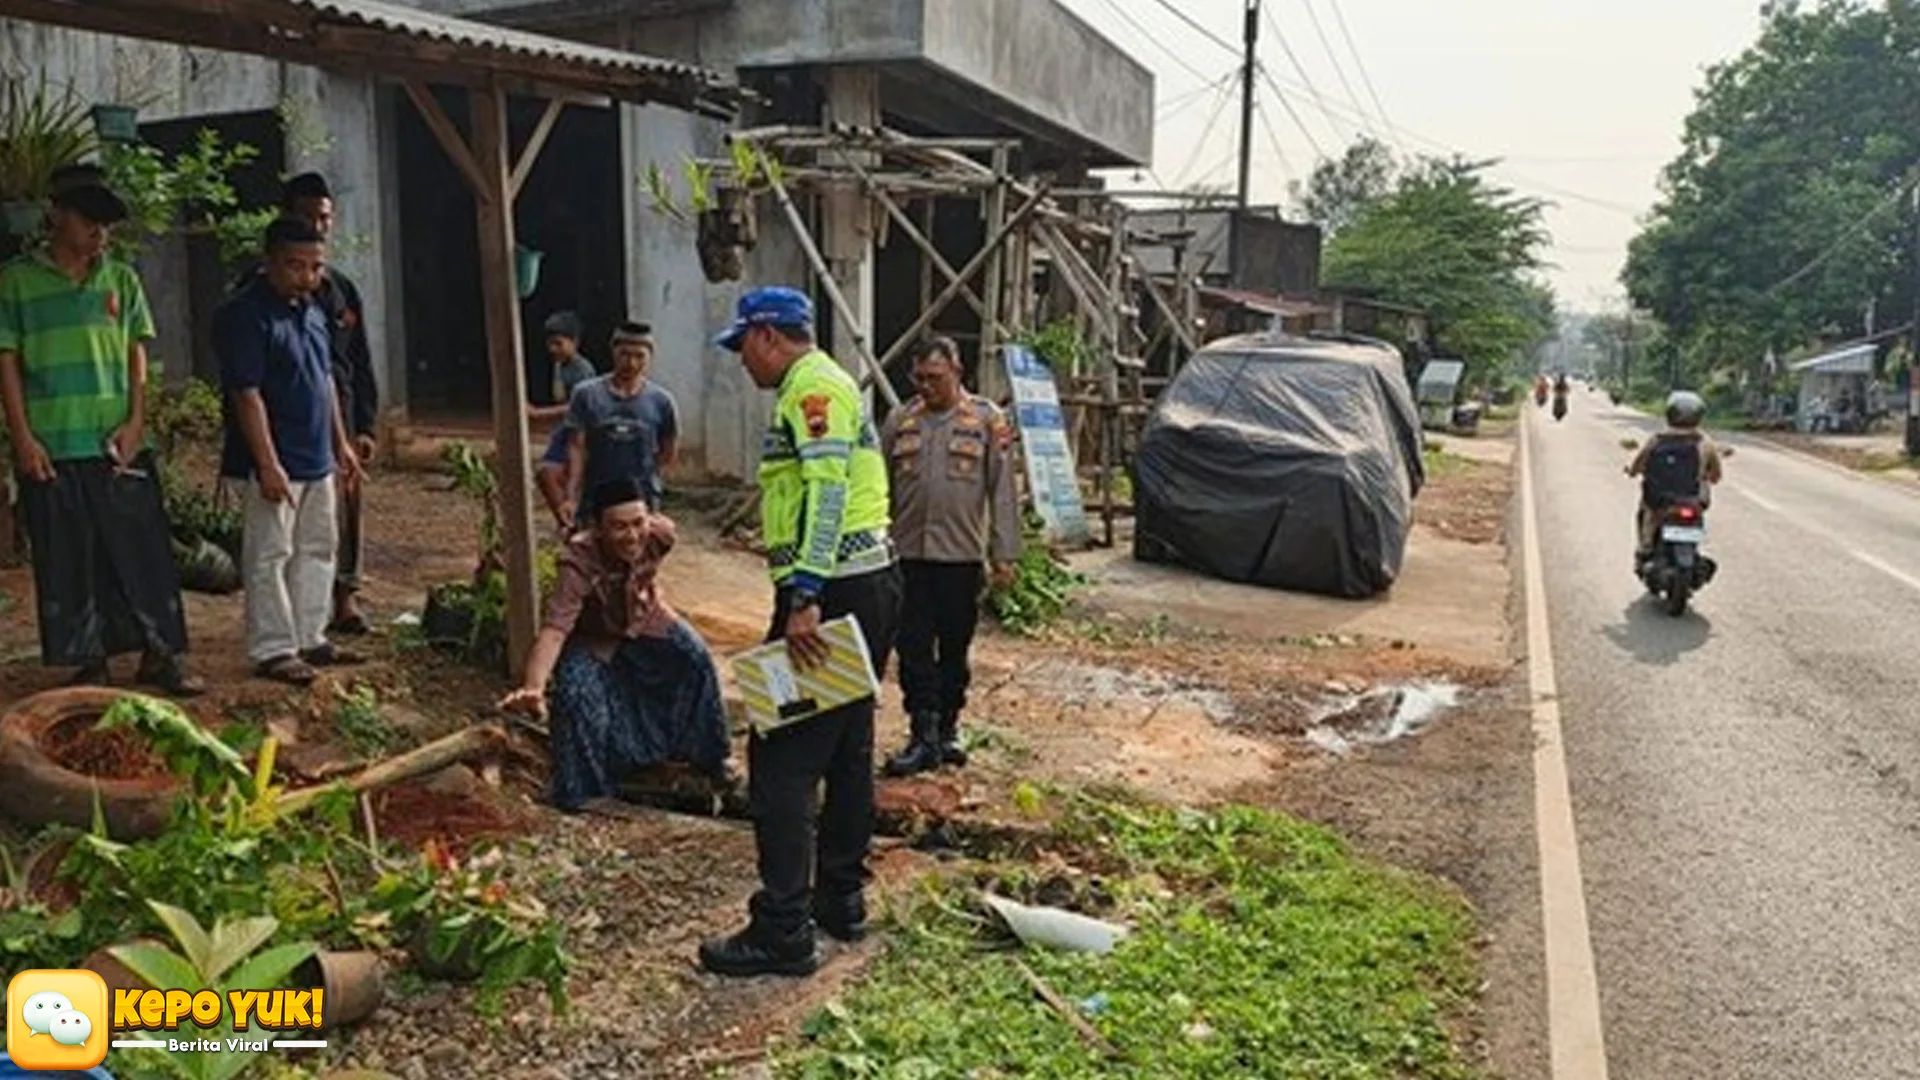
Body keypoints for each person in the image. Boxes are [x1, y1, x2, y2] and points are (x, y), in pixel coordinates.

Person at [699, 286, 902, 978]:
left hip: (831, 591)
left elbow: (827, 493)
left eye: (743, 347)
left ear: (766, 335)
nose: (742, 362)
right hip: (866, 585)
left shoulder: (812, 389)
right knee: (846, 748)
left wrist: (806, 595)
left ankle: (782, 929)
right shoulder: (830, 384)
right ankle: (838, 899)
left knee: (781, 758)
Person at [0, 163, 201, 696]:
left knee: (143, 550)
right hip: (52, 442)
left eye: (106, 223)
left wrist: (137, 422)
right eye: (88, 220)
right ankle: (89, 660)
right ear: (57, 217)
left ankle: (162, 653)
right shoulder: (15, 282)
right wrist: (22, 438)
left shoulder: (121, 279)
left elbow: (137, 355)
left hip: (118, 442)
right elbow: (6, 362)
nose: (99, 233)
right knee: (68, 556)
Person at [497, 476, 735, 810]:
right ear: (598, 528)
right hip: (595, 639)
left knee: (694, 655)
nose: (632, 535)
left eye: (638, 523)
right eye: (619, 527)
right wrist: (534, 686)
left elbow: (648, 570)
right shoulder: (578, 562)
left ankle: (708, 760)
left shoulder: (662, 535)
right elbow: (555, 631)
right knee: (576, 691)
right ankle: (586, 792)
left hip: (646, 620)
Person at [216, 217, 363, 686]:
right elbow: (246, 393)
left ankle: (310, 636)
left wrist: (341, 443)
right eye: (295, 265)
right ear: (270, 262)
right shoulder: (245, 314)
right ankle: (274, 648)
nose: (306, 276)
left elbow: (325, 379)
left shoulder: (314, 310)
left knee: (318, 548)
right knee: (269, 553)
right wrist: (267, 463)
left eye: (315, 266)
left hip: (317, 455)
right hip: (273, 459)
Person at [879, 336, 1020, 777]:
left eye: (935, 378)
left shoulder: (986, 421)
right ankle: (922, 733)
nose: (926, 387)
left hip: (960, 558)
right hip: (909, 556)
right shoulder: (901, 420)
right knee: (913, 646)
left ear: (957, 372)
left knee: (955, 648)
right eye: (919, 378)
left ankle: (948, 729)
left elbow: (1002, 491)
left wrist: (1004, 553)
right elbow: (879, 487)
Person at [279, 173, 380, 637]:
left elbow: (358, 360)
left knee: (346, 503)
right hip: (290, 416)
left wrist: (365, 425)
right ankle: (294, 614)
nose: (317, 226)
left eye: (324, 217)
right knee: (290, 519)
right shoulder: (262, 291)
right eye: (307, 216)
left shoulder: (340, 289)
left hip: (341, 410)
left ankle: (345, 595)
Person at [564, 321, 679, 525]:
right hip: (595, 497)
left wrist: (654, 484)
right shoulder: (586, 395)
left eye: (639, 356)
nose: (631, 363)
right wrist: (571, 494)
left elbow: (668, 452)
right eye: (624, 354)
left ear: (650, 357)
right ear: (613, 352)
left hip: (641, 500)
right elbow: (576, 447)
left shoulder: (662, 401)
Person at [1625, 390, 1724, 566]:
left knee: (1647, 511)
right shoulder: (1705, 443)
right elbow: (1716, 476)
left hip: (1660, 501)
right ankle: (1693, 543)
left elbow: (1638, 464)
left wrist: (1632, 471)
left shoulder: (1656, 440)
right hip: (1693, 500)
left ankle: (1646, 545)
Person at [527, 311, 596, 532]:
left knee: (556, 475)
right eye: (550, 344)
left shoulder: (582, 370)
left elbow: (576, 407)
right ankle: (567, 522)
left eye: (558, 343)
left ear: (574, 342)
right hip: (563, 430)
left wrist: (539, 414)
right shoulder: (560, 365)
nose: (553, 349)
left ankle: (571, 522)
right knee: (547, 474)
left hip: (578, 433)